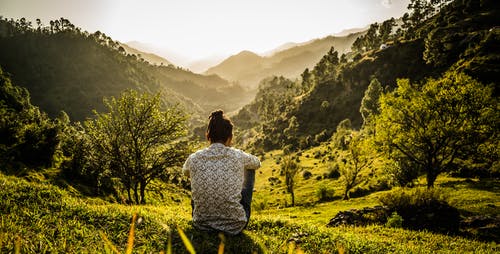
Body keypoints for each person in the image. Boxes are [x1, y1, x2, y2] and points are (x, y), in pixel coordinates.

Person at [182, 110, 261, 235]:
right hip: (235, 226)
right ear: (230, 137)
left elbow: (185, 172)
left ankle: (205, 212)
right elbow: (257, 163)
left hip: (201, 224)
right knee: (250, 168)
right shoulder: (237, 155)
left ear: (208, 136)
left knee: (195, 173)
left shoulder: (194, 158)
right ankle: (234, 210)